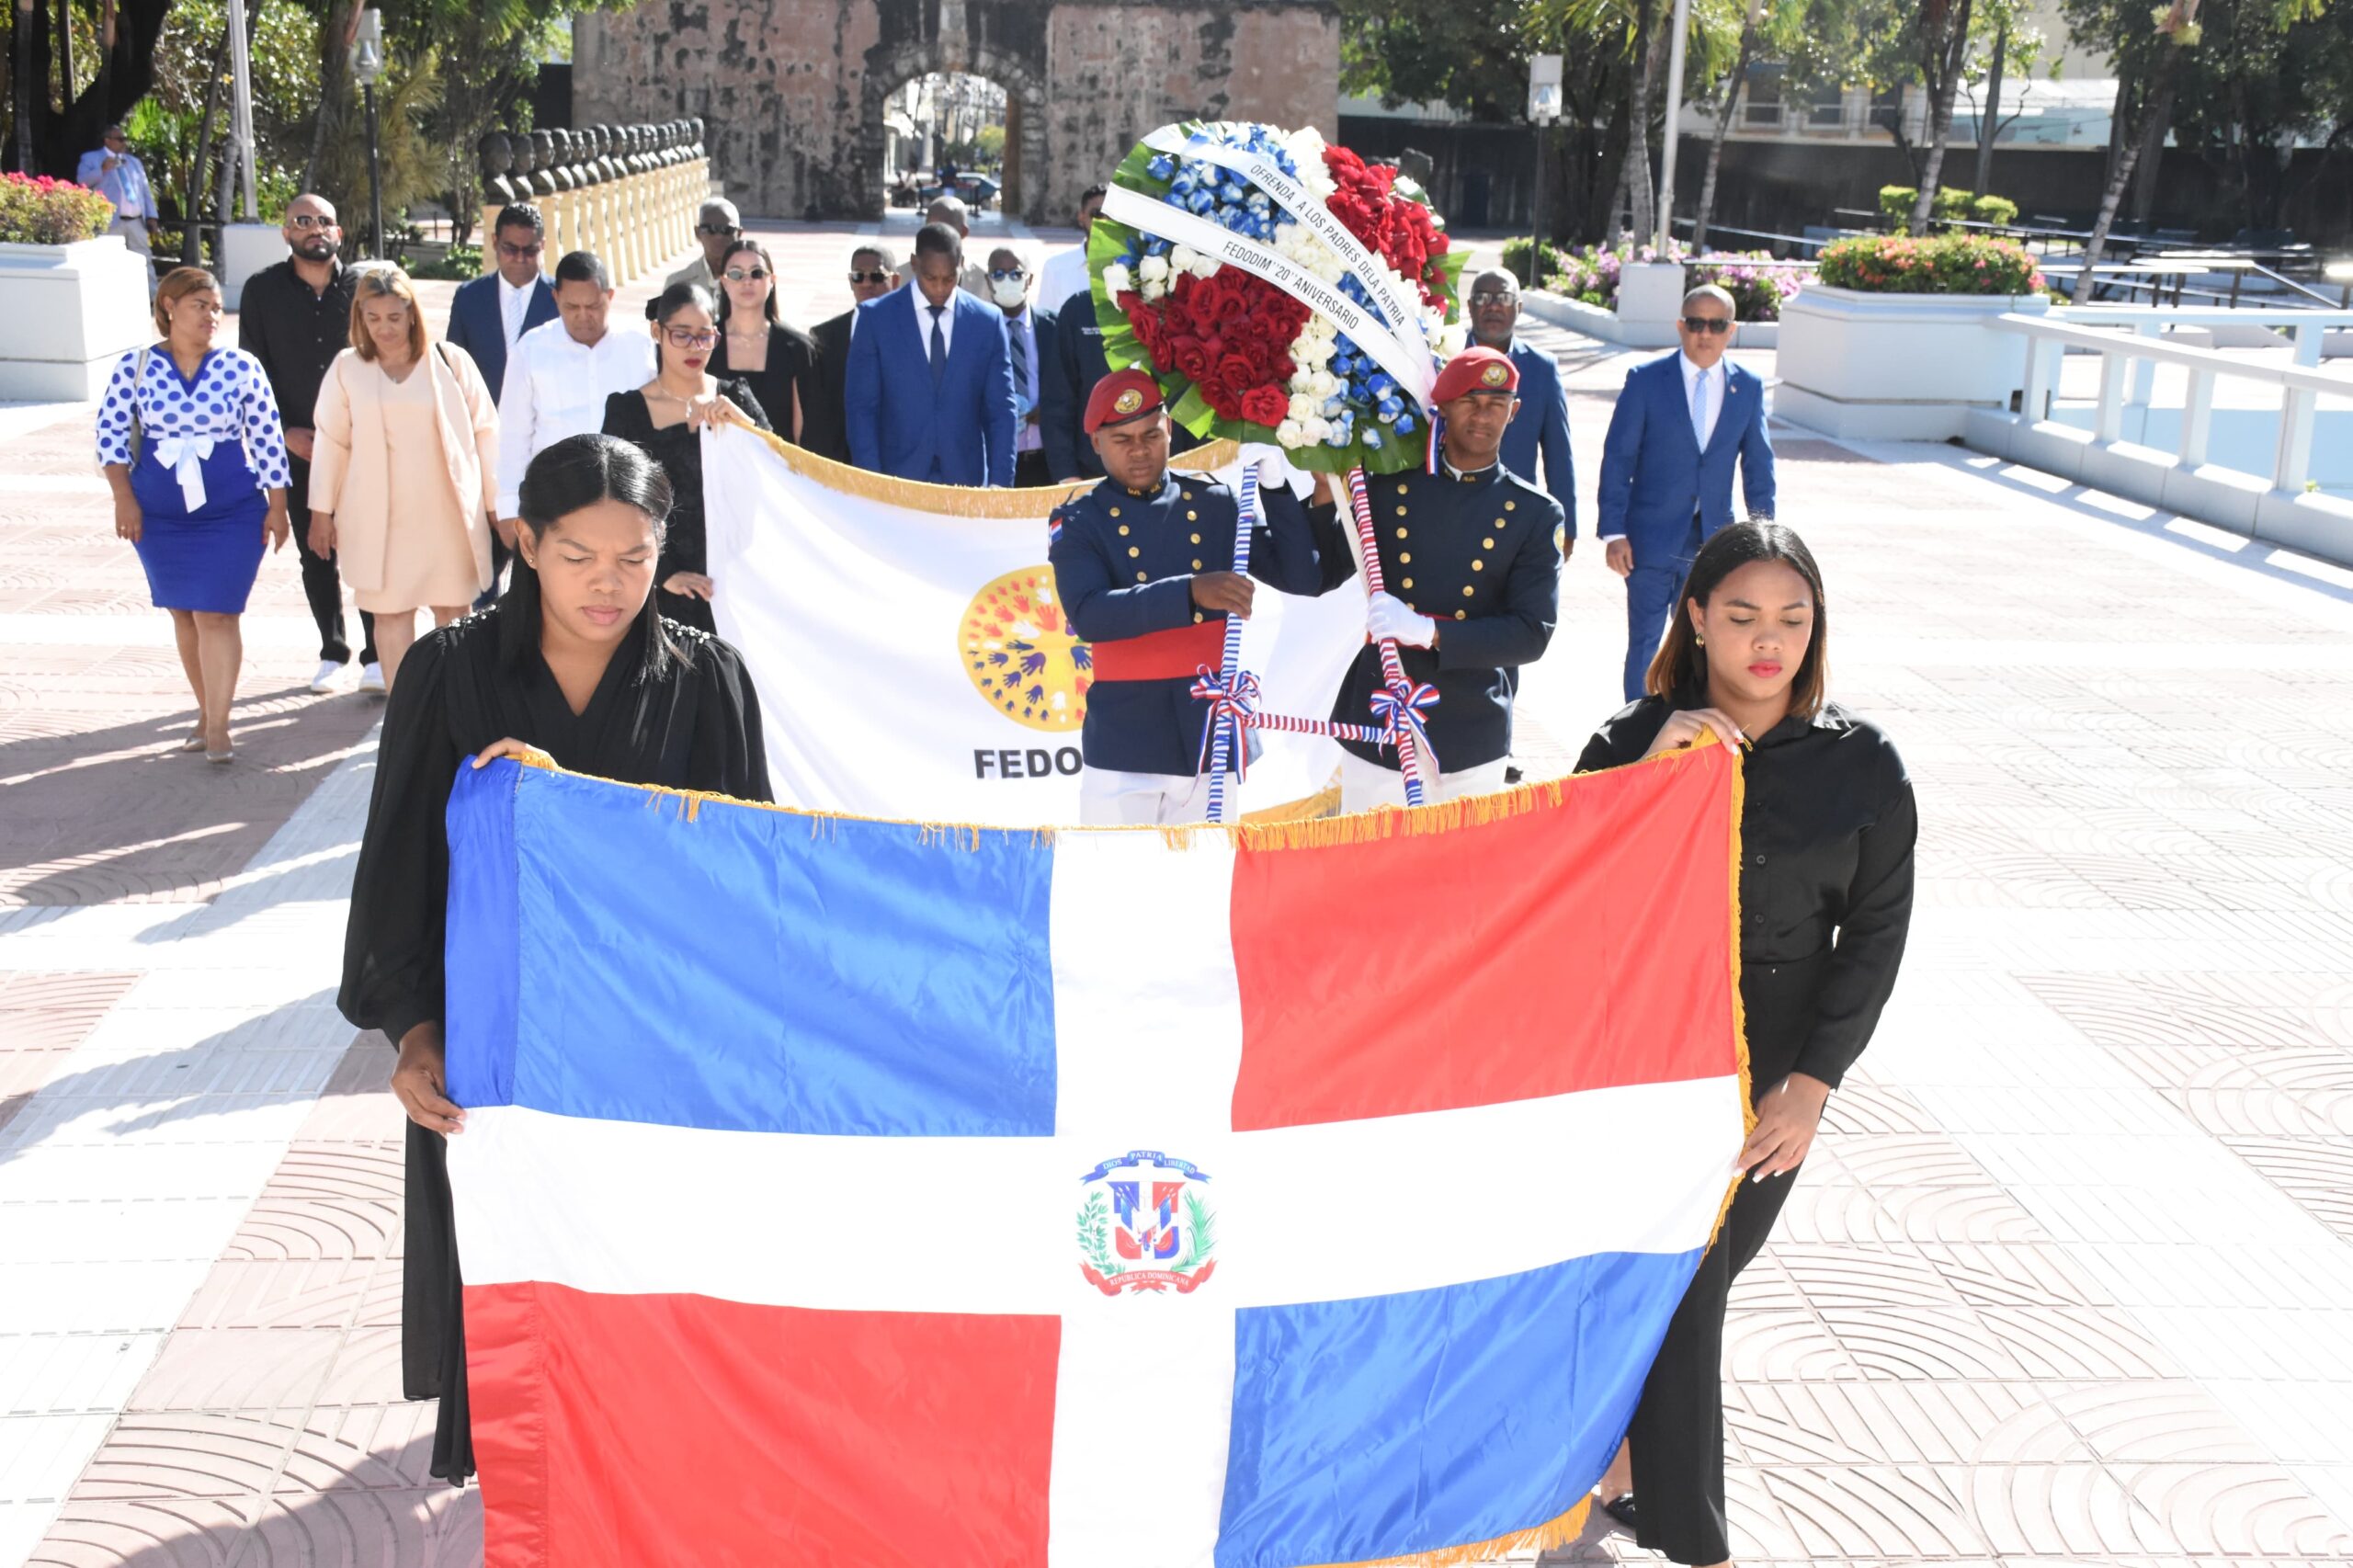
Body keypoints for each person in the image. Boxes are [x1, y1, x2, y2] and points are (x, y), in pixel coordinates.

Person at [339, 432, 773, 1489]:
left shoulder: (706, 677)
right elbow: (401, 864)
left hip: (650, 1047)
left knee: (647, 1294)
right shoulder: (448, 673)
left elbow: (745, 872)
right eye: (578, 555)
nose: (606, 584)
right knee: (515, 1295)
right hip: (498, 1047)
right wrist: (414, 1031)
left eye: (634, 557)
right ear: (527, 543)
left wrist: (569, 804)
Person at [1573, 519, 1914, 1568]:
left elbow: (1876, 936)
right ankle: (1698, 1543)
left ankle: (1607, 1479)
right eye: (1741, 616)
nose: (1769, 641)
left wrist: (1812, 1083)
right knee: (1684, 1285)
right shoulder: (1630, 739)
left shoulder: (1864, 765)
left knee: (1695, 1282)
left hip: (1778, 1061)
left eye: (1792, 619)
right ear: (1694, 618)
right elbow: (1562, 884)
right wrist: (1645, 774)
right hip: (1649, 1050)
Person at [1047, 369, 1340, 825]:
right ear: (1096, 443)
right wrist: (1191, 591)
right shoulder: (1080, 520)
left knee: (1206, 869)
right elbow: (1091, 614)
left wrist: (1276, 487)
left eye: (1151, 434)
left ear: (1169, 428)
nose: (1139, 450)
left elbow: (1304, 577)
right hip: (1128, 737)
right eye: (1122, 439)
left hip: (1208, 730)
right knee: (1115, 869)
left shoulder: (1213, 502)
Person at [1321, 346, 1562, 812]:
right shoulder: (1386, 489)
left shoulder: (1534, 513)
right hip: (1382, 708)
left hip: (1469, 724)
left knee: (1460, 860)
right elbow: (1317, 573)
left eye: (1497, 404)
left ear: (1514, 412)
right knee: (1371, 854)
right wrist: (1285, 489)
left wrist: (1429, 631)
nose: (1483, 416)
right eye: (1470, 401)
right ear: (1443, 406)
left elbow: (1531, 634)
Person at [95, 267, 291, 762]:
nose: (211, 315)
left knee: (217, 612)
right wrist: (123, 498)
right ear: (169, 306)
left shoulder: (241, 366)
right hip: (159, 516)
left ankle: (220, 727)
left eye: (216, 306)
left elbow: (268, 438)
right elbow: (110, 436)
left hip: (232, 511)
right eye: (199, 305)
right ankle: (207, 711)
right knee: (184, 613)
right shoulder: (135, 366)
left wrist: (278, 507)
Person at [307, 267, 500, 692]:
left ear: (412, 314)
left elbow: (487, 432)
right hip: (377, 521)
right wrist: (321, 511)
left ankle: (455, 708)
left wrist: (495, 504)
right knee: (390, 615)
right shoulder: (347, 368)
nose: (385, 328)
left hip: (447, 515)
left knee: (454, 613)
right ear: (360, 318)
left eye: (394, 317)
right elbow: (331, 442)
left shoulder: (450, 361)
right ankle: (402, 715)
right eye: (373, 318)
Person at [1596, 283, 1776, 703]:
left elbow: (1758, 467)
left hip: (1715, 541)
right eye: (1696, 323)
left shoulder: (1747, 387)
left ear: (1731, 330)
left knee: (1707, 643)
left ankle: (1695, 726)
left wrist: (1765, 539)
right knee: (1645, 641)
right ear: (1680, 326)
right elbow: (1618, 458)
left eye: (1716, 325)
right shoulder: (1646, 380)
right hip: (1648, 540)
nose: (1705, 334)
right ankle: (1637, 729)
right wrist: (1613, 532)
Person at [238, 193, 377, 694]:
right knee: (315, 551)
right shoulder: (261, 291)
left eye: (324, 221)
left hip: (362, 446)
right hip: (297, 446)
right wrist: (282, 432)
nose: (314, 228)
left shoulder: (365, 288)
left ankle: (377, 655)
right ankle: (332, 651)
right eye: (303, 221)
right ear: (286, 232)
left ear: (339, 232)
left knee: (368, 547)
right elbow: (252, 372)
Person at [601, 282, 770, 633]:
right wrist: (664, 573)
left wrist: (745, 426)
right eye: (682, 335)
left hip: (735, 577)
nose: (695, 347)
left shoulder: (735, 396)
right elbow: (614, 501)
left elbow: (781, 471)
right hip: (664, 586)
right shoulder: (627, 410)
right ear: (657, 332)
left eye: (705, 336)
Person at [845, 222, 1017, 487]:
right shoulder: (875, 319)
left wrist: (1000, 484)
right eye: (930, 278)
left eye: (949, 279)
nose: (939, 288)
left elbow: (1001, 410)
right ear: (914, 264)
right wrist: (871, 484)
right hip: (895, 481)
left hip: (965, 481)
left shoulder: (987, 321)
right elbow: (862, 410)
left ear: (961, 264)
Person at [445, 203, 557, 607]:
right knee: (485, 568)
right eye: (511, 249)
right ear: (494, 244)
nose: (520, 258)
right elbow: (453, 372)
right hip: (484, 448)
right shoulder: (469, 297)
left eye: (530, 250)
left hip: (543, 447)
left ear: (543, 246)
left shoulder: (560, 297)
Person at [496, 251, 659, 528]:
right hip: (555, 502)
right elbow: (513, 436)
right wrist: (509, 509)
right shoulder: (531, 349)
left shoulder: (640, 348)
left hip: (626, 502)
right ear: (556, 297)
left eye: (593, 306)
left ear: (610, 296)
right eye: (572, 306)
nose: (583, 316)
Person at [1040, 272, 1200, 483]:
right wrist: (1067, 476)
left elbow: (1198, 393)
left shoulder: (1178, 306)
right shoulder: (1080, 310)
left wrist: (1199, 468)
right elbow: (1058, 401)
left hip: (1174, 473)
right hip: (1094, 478)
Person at [1465, 268, 1575, 551]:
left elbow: (1558, 452)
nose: (1493, 306)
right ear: (1470, 306)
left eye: (1503, 297)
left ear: (1519, 307)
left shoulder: (1542, 368)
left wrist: (1567, 527)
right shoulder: (1444, 356)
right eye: (1483, 298)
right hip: (1453, 510)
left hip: (1517, 519)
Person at [708, 237, 817, 448]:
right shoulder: (705, 344)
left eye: (757, 273)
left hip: (778, 463)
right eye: (736, 274)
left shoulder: (798, 348)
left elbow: (803, 435)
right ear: (724, 281)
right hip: (715, 464)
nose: (747, 281)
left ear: (772, 280)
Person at [806, 243, 897, 462]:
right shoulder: (823, 336)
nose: (866, 283)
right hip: (841, 463)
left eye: (876, 276)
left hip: (898, 462)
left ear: (894, 281)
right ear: (850, 281)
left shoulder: (914, 334)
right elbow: (818, 410)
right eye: (858, 276)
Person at [984, 244, 1057, 487]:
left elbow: (1067, 385)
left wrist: (1047, 409)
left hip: (1045, 459)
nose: (1007, 281)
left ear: (1029, 279)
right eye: (998, 274)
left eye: (1016, 274)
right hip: (996, 459)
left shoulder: (1052, 326)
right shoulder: (977, 329)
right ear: (988, 280)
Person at [75, 124, 157, 291]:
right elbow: (82, 182)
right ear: (107, 141)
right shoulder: (91, 158)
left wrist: (152, 216)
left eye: (125, 139)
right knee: (108, 261)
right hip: (111, 222)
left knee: (144, 260)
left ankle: (151, 298)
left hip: (136, 221)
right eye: (120, 139)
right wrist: (102, 170)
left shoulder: (133, 162)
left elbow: (144, 191)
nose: (124, 142)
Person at [1036, 182, 1107, 317]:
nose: (1105, 221)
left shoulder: (1136, 270)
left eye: (1112, 216)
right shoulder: (1055, 268)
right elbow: (1046, 320)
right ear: (1081, 217)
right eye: (1097, 214)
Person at [899, 196, 988, 296]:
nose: (937, 236)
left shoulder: (982, 281)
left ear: (963, 232)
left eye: (945, 230)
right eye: (931, 229)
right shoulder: (901, 277)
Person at [665, 198, 742, 292]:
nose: (718, 236)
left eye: (727, 230)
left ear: (739, 234)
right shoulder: (676, 284)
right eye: (710, 229)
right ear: (697, 233)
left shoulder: (753, 281)